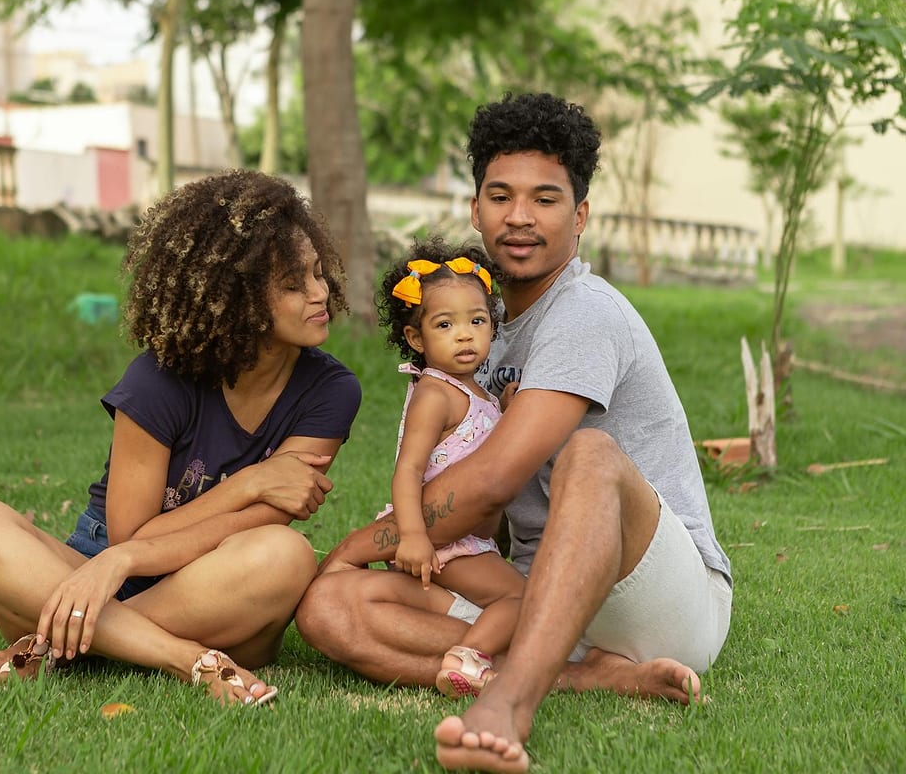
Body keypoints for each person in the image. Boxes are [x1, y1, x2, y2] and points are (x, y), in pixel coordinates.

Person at [295, 92, 732, 771]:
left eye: (546, 199)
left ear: (580, 215)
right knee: (329, 608)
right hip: (539, 592)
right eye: (500, 196)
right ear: (476, 209)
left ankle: (508, 705)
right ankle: (581, 675)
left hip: (655, 595)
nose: (520, 217)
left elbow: (493, 478)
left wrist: (354, 545)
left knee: (590, 453)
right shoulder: (479, 327)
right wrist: (354, 571)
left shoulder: (584, 313)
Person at [0, 169, 361, 706]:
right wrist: (251, 481)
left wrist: (127, 560)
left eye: (319, 273)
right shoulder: (157, 380)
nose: (321, 294)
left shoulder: (330, 390)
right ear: (234, 298)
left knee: (287, 555)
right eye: (294, 285)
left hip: (211, 584)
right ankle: (180, 657)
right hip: (97, 565)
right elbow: (128, 534)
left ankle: (58, 643)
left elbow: (270, 516)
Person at [373, 239, 525, 699]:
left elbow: (477, 441)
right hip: (443, 539)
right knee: (522, 598)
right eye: (445, 324)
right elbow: (407, 471)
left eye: (477, 321)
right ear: (416, 338)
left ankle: (463, 638)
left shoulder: (472, 392)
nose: (464, 335)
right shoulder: (433, 393)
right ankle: (467, 659)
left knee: (509, 598)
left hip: (466, 538)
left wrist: (504, 408)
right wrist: (415, 537)